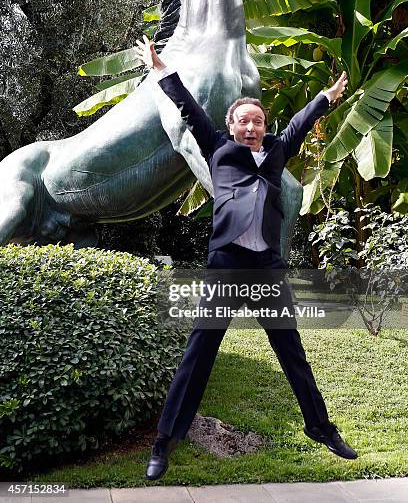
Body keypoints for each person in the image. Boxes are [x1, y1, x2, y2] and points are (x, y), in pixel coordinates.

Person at [135, 37, 357, 480]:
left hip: (267, 269)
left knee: (291, 348)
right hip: (228, 265)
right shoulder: (217, 147)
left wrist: (325, 99)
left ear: (263, 126)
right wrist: (161, 69)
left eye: (257, 121)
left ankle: (321, 427)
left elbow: (297, 124)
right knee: (200, 350)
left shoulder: (276, 151)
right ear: (232, 126)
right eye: (244, 121)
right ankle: (165, 441)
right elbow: (188, 107)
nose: (252, 127)